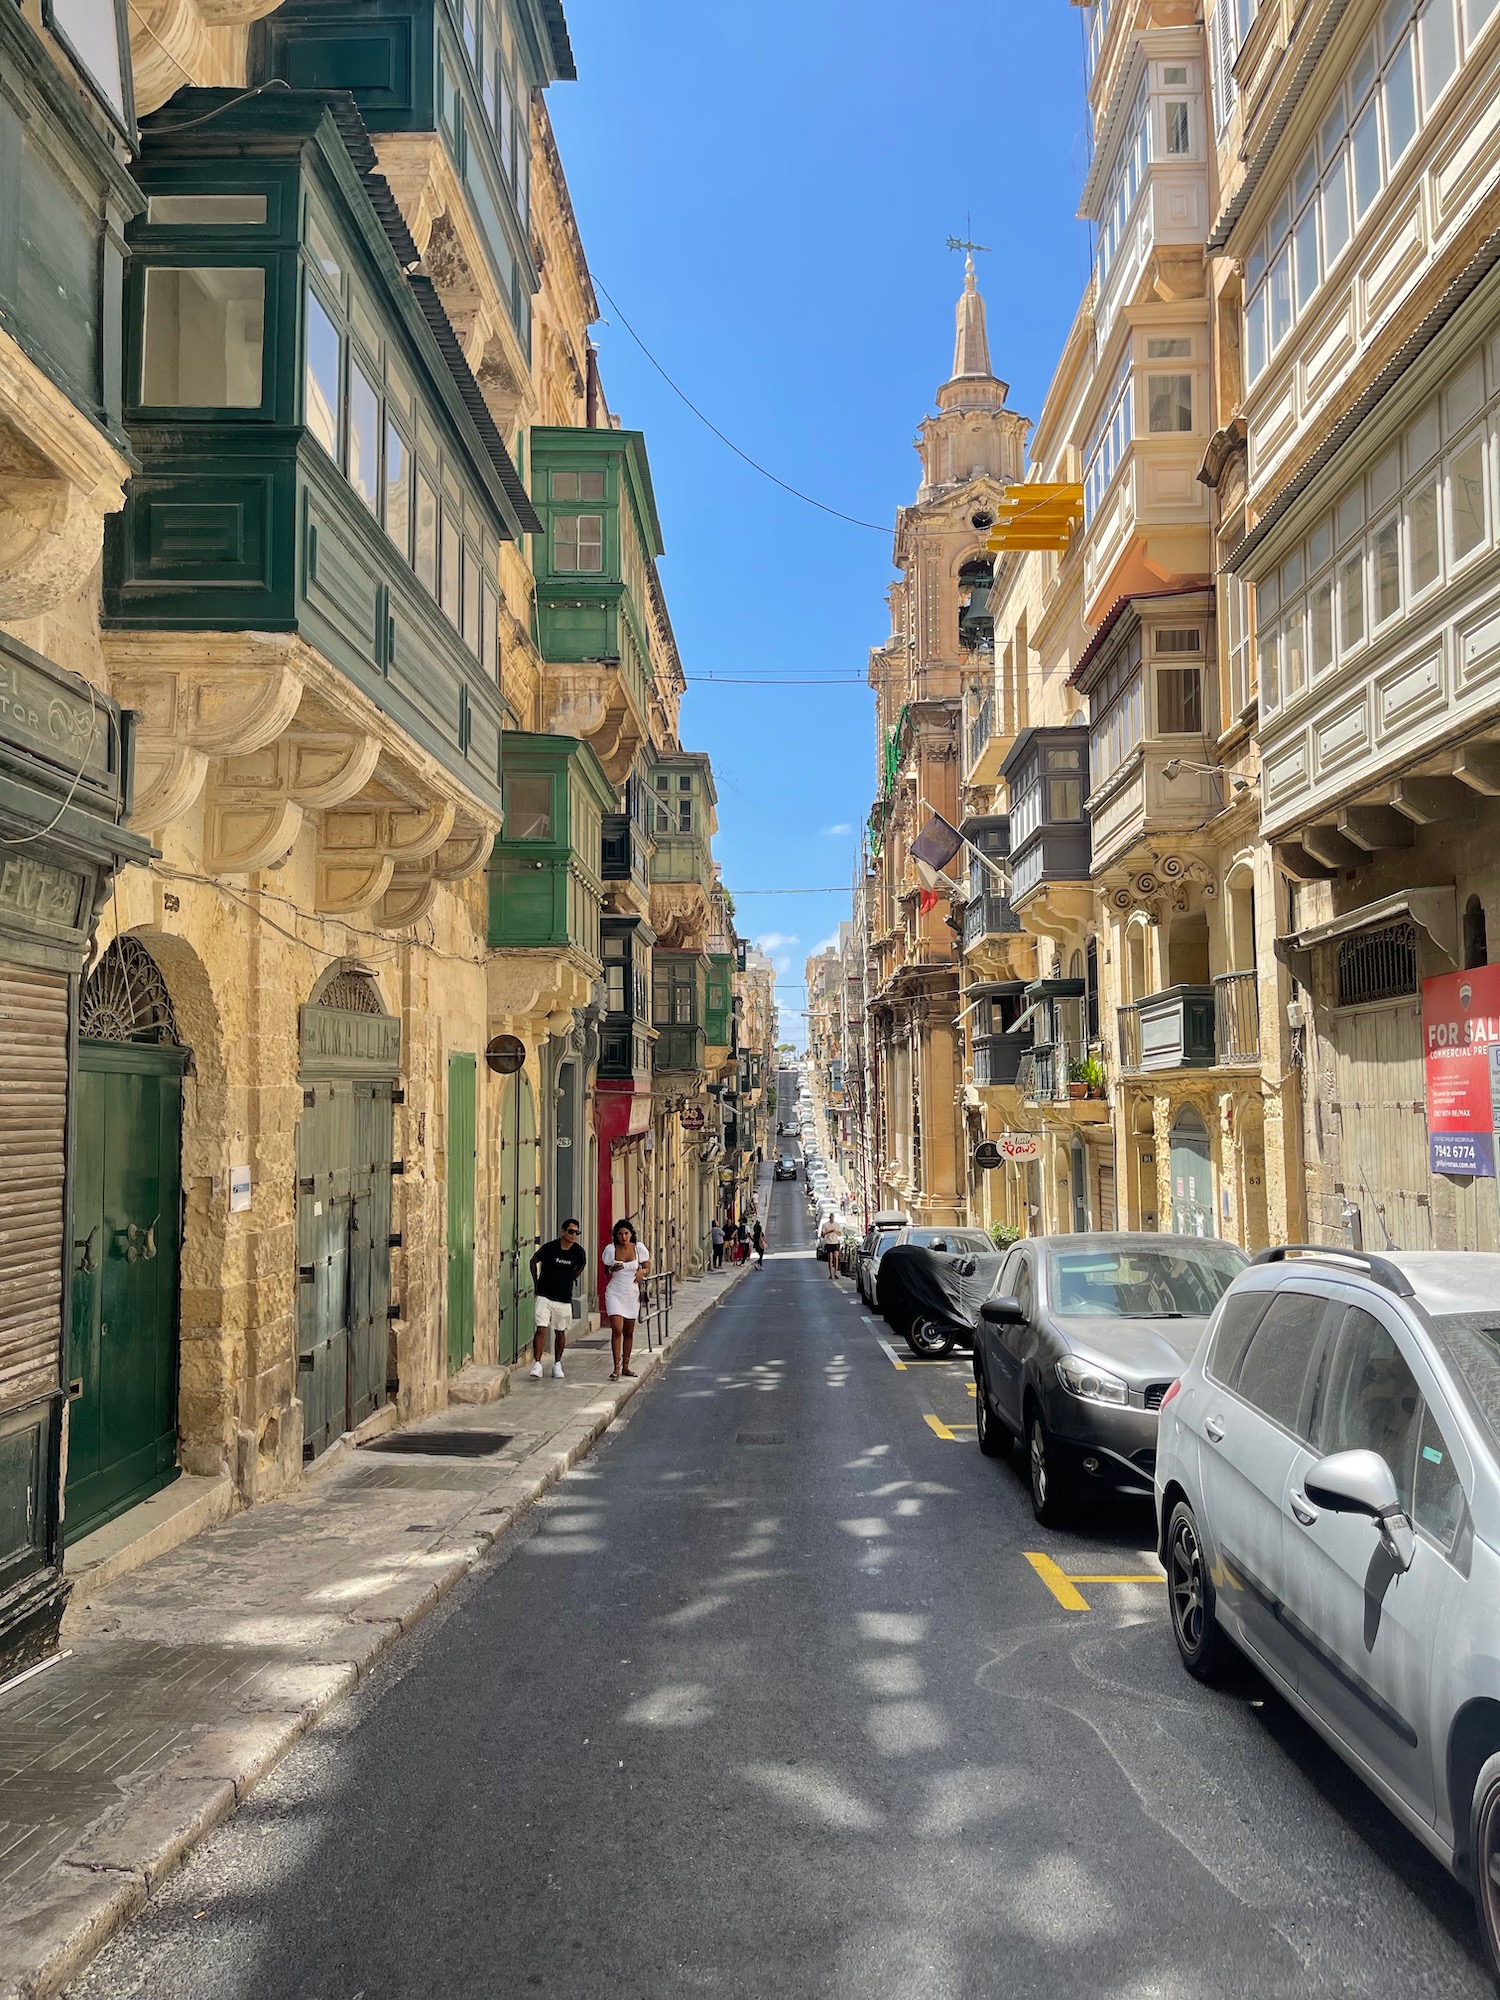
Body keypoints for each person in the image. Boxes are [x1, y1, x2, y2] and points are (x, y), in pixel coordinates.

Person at [528, 1219, 586, 1378]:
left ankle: (557, 1363)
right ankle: (537, 1363)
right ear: (563, 1232)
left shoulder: (578, 1252)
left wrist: (569, 1279)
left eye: (577, 1233)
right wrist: (536, 1282)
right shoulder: (550, 1248)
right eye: (571, 1231)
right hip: (545, 1295)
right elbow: (533, 1260)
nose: (574, 1235)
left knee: (560, 1332)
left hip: (563, 1298)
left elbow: (580, 1267)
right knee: (541, 1328)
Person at [601, 1219, 650, 1381]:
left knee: (629, 1331)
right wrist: (611, 1269)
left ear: (631, 1234)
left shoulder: (638, 1248)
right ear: (616, 1235)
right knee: (617, 1329)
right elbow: (605, 1272)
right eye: (620, 1234)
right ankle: (616, 1367)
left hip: (632, 1294)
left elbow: (647, 1267)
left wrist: (641, 1273)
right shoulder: (611, 1249)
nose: (623, 1236)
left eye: (626, 1233)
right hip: (615, 1293)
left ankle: (626, 1367)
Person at [819, 1212, 843, 1278]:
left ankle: (835, 1273)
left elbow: (840, 1233)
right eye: (831, 1217)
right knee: (830, 1259)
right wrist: (829, 1231)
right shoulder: (825, 1224)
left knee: (836, 1258)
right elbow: (822, 1234)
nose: (832, 1218)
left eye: (832, 1217)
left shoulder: (837, 1225)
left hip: (835, 1242)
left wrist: (835, 1231)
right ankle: (830, 1273)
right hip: (828, 1242)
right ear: (829, 1218)